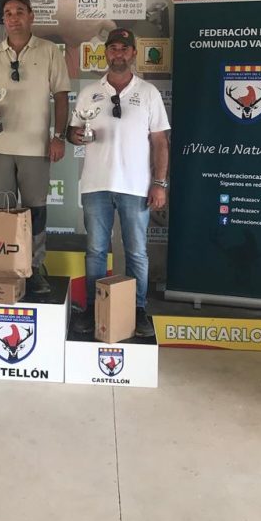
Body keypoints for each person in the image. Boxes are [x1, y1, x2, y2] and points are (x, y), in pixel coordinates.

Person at [67, 28, 170, 337]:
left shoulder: (148, 93)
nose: (118, 54)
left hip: (136, 187)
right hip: (95, 185)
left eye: (124, 49)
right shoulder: (89, 92)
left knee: (136, 252)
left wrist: (160, 183)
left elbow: (160, 141)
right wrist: (77, 136)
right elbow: (73, 131)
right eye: (113, 48)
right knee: (96, 251)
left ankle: (138, 309)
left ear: (133, 53)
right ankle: (93, 308)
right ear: (106, 53)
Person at [0, 0, 71, 294]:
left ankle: (33, 269)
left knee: (36, 211)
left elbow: (61, 97)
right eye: (8, 13)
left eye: (19, 11)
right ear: (3, 20)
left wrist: (58, 137)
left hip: (35, 147)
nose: (13, 18)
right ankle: (5, 267)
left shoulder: (49, 51)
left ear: (31, 16)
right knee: (2, 211)